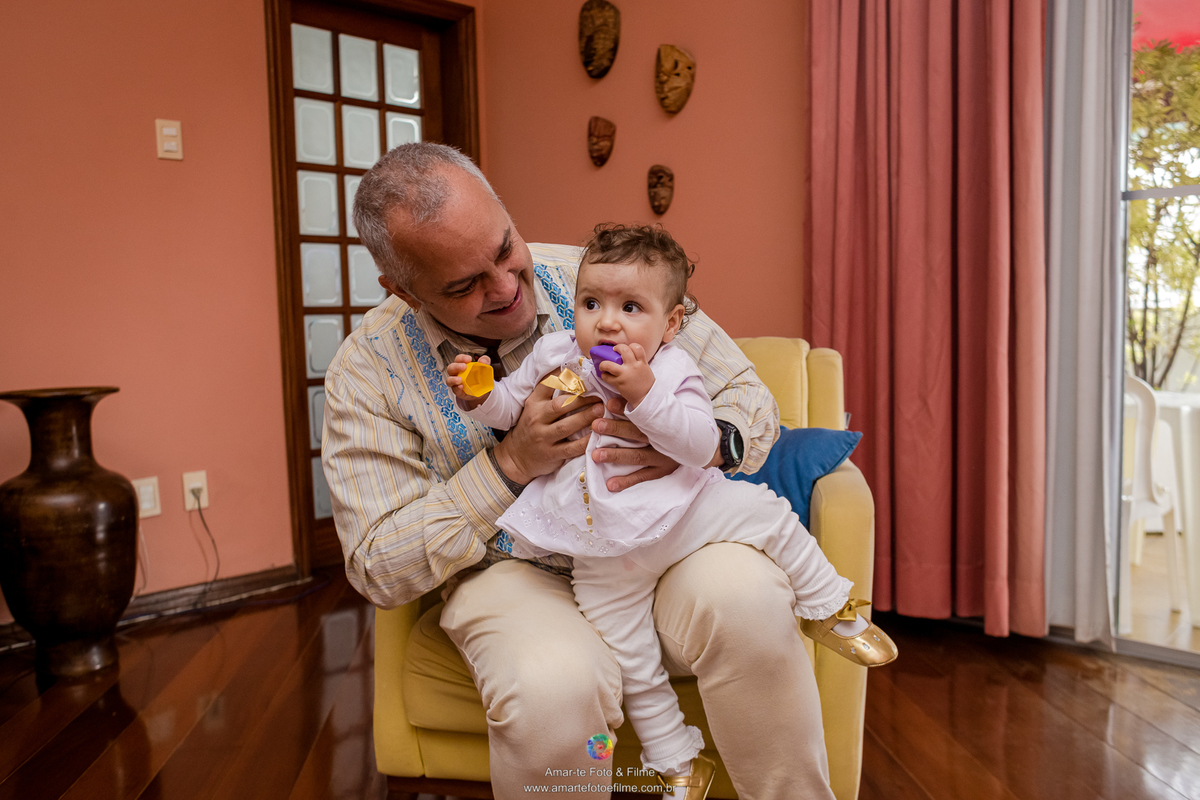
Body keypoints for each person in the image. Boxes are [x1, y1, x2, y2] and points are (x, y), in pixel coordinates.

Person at [323, 141, 836, 799]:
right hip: (511, 572)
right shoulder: (367, 374)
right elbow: (378, 564)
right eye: (464, 285)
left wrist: (698, 442)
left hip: (662, 538)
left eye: (506, 250)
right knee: (551, 688)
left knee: (750, 602)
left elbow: (748, 400)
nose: (507, 289)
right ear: (401, 287)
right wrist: (508, 465)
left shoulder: (608, 281)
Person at [446, 223, 895, 798]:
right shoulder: (555, 355)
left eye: (630, 307)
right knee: (626, 653)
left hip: (683, 516)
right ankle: (676, 758)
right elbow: (513, 410)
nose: (606, 321)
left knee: (765, 511)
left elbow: (695, 440)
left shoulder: (673, 369)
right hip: (602, 546)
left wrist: (644, 392)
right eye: (591, 303)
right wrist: (482, 396)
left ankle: (830, 605)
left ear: (671, 323)